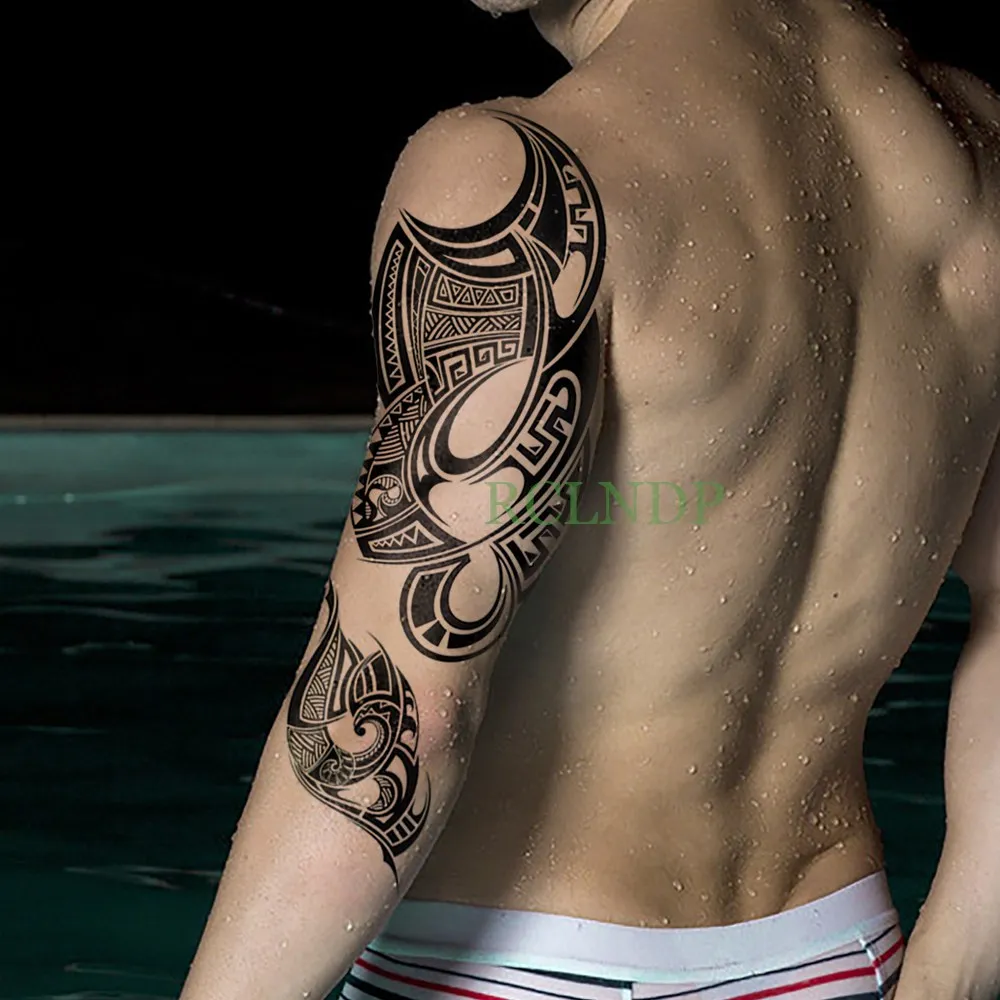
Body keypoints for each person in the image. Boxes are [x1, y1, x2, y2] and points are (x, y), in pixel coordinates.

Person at [178, 1, 1000, 998]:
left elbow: (399, 720)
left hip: (510, 966)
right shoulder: (976, 150)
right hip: (830, 955)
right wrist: (945, 981)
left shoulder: (516, 180)